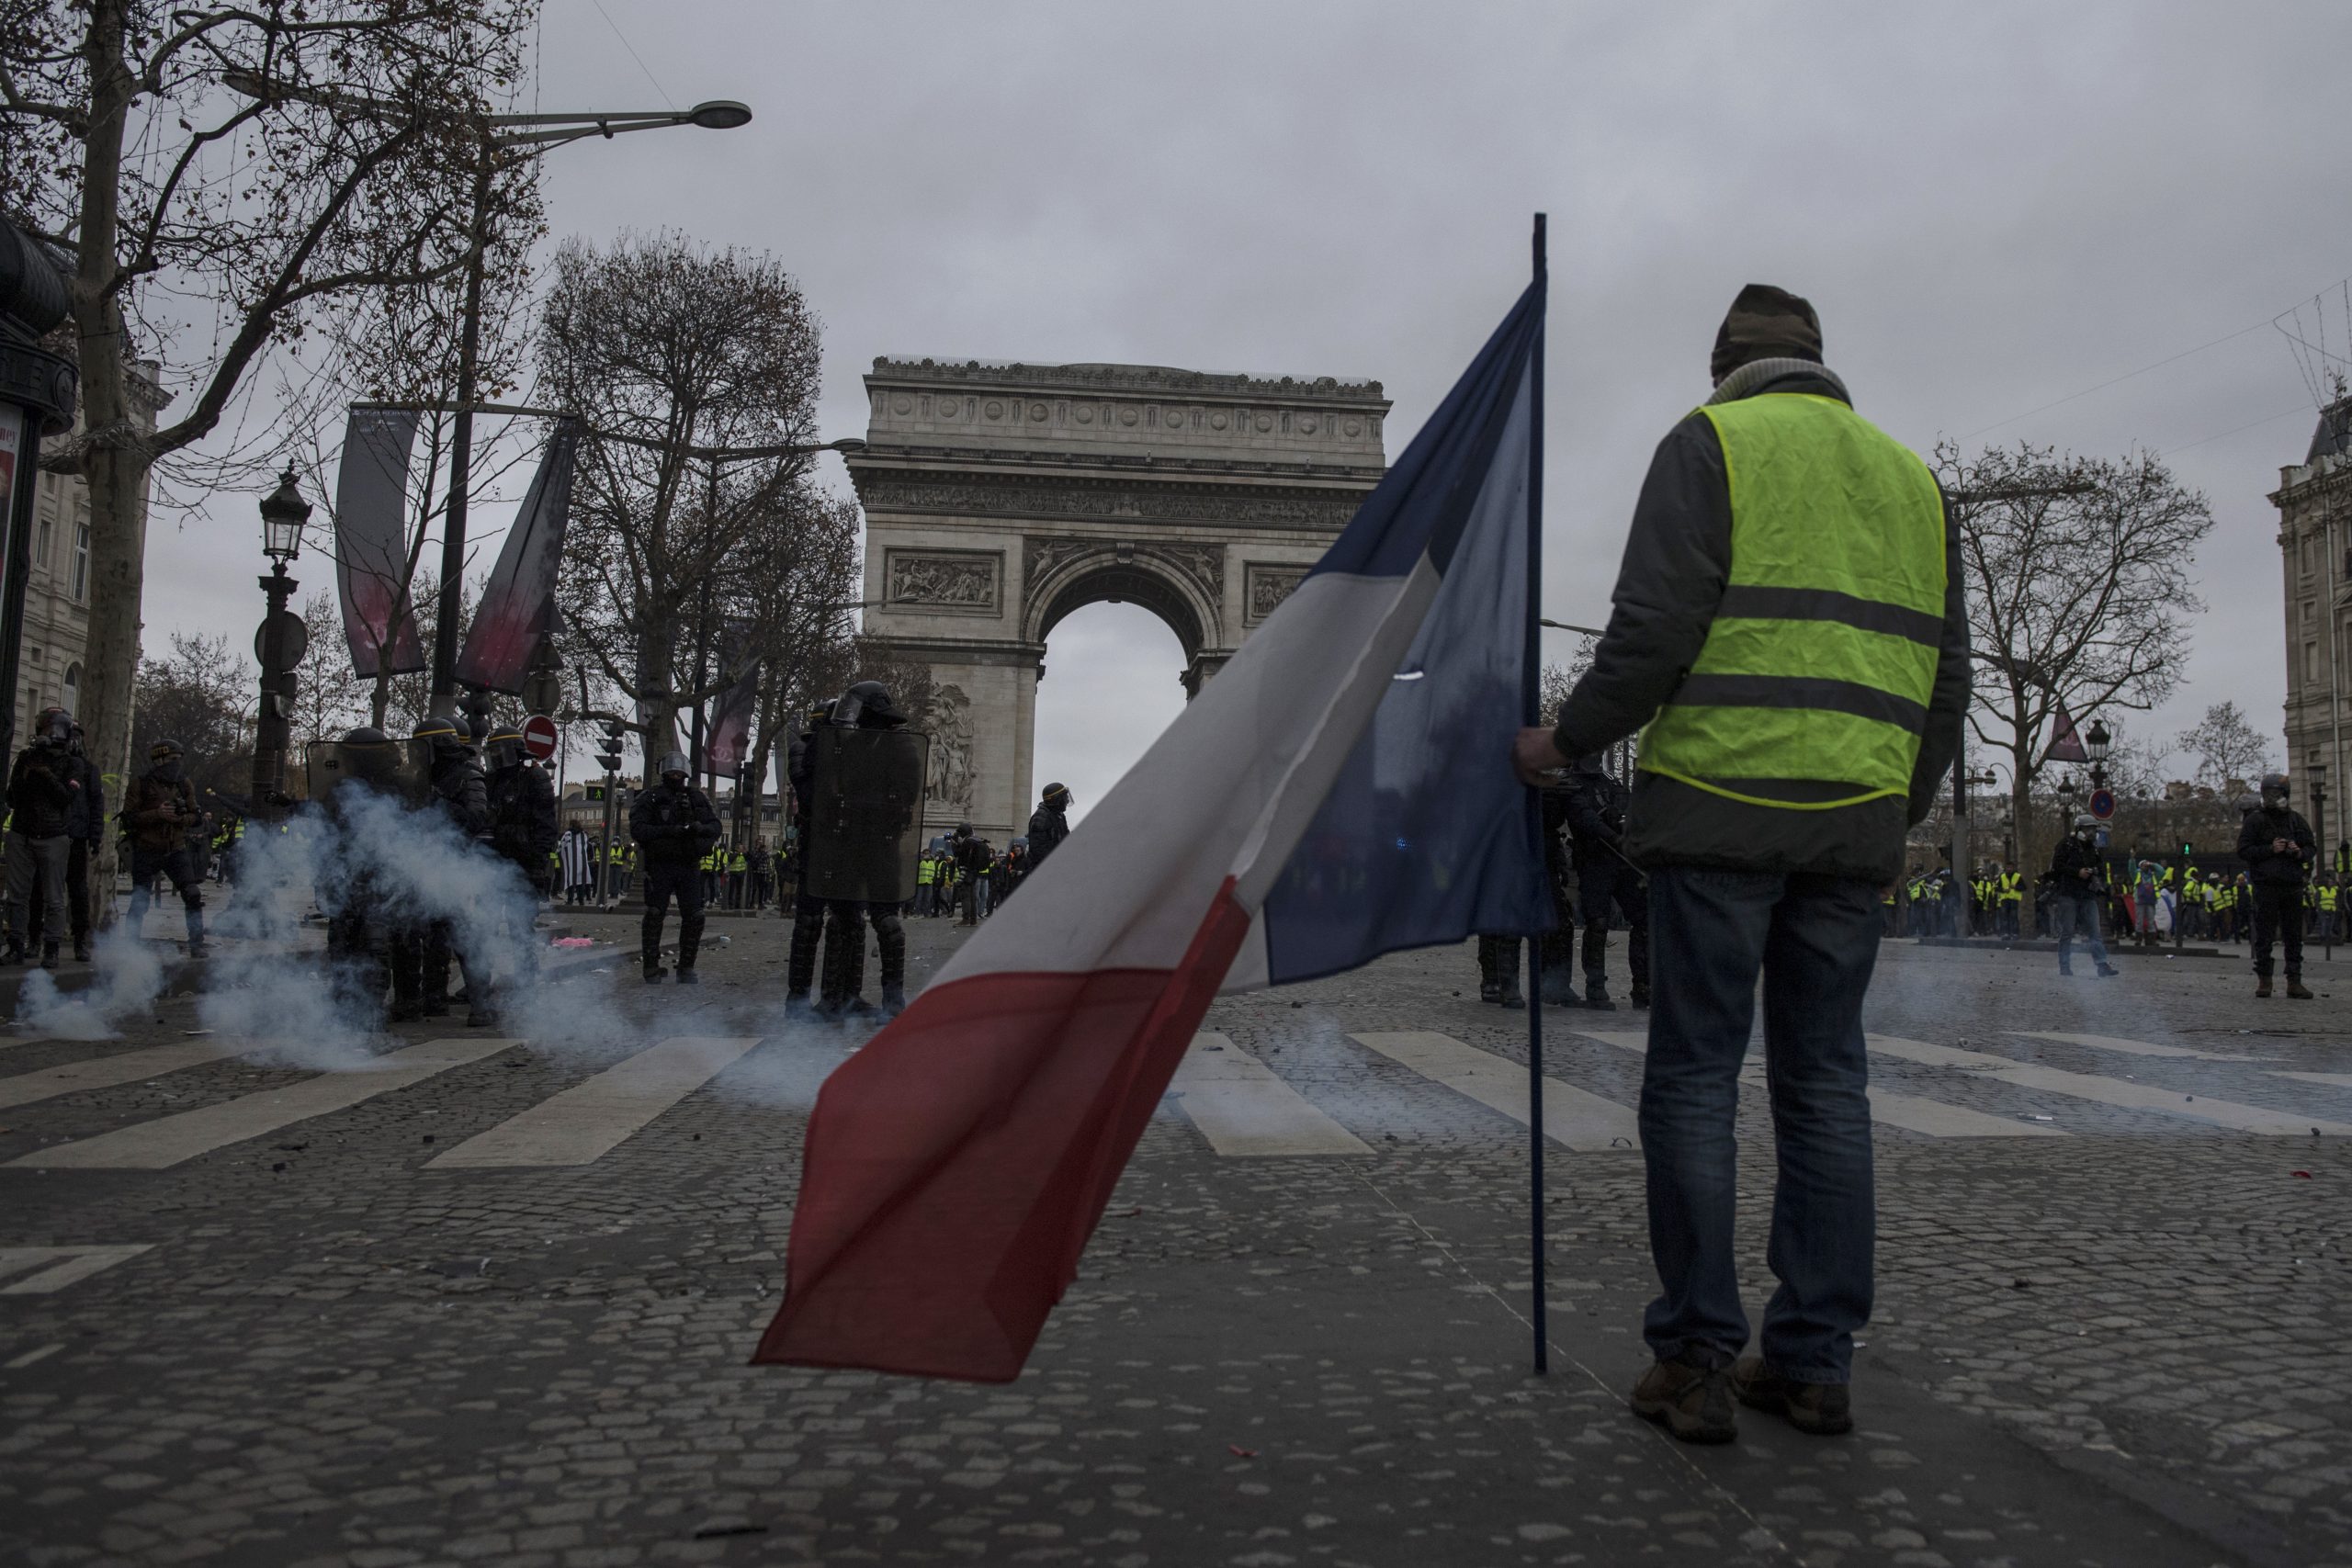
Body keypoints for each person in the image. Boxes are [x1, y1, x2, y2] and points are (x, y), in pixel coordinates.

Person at [1510, 284, 1969, 1443]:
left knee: (1697, 1081)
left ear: (1725, 367)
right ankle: (1813, 1363)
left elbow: (1654, 629)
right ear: (1823, 365)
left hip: (1718, 809)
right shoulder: (1914, 479)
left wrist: (1564, 744)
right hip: (1853, 825)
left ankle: (1699, 1356)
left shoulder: (1707, 442)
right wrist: (1888, 811)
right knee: (1827, 1089)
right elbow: (1946, 683)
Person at [413, 716, 491, 1021]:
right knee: (432, 936)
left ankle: (482, 1004)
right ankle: (433, 1000)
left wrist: (437, 801)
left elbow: (475, 820)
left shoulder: (468, 776)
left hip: (459, 864)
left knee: (464, 936)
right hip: (427, 864)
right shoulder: (421, 777)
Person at [1563, 752, 1649, 1010]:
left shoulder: (1609, 781)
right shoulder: (1569, 783)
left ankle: (1643, 985)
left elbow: (1628, 805)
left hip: (1622, 860)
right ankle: (1596, 986)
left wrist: (1623, 823)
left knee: (1645, 919)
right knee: (1598, 923)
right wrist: (1613, 835)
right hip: (1594, 860)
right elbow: (1583, 818)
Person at [631, 751, 720, 984]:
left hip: (688, 864)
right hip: (660, 864)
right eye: (671, 771)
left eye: (679, 772)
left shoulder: (696, 798)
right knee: (654, 914)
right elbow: (638, 829)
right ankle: (651, 967)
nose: (675, 775)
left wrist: (698, 830)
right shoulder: (650, 797)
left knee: (695, 916)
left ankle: (686, 967)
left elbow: (715, 826)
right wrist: (669, 832)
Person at [4, 706, 83, 967]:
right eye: (44, 729)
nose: (47, 734)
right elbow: (12, 798)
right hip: (22, 832)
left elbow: (66, 798)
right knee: (17, 895)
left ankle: (51, 948)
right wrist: (26, 773)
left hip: (53, 835)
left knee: (54, 897)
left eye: (52, 729)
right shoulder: (27, 758)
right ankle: (16, 945)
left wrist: (46, 775)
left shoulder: (72, 762)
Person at [124, 736, 210, 962]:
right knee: (140, 899)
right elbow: (129, 819)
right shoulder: (141, 784)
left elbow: (196, 818)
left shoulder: (184, 784)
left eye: (179, 759)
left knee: (192, 894)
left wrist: (180, 818)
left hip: (176, 849)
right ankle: (129, 945)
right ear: (160, 759)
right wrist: (157, 814)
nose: (177, 764)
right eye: (172, 759)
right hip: (147, 849)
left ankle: (197, 944)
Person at [2238, 772, 2315, 998]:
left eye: (2277, 794)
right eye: (2269, 794)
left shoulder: (2296, 820)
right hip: (2266, 885)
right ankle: (2265, 979)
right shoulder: (2256, 820)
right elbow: (2243, 850)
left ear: (2286, 795)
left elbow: (2311, 847)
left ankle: (2294, 980)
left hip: (2292, 884)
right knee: (2265, 934)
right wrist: (2270, 849)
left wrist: (2298, 852)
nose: (2273, 798)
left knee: (2293, 936)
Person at [2048, 815, 2121, 978]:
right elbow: (2057, 867)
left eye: (2093, 829)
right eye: (2088, 829)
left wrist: (2094, 873)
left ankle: (2102, 965)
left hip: (2087, 894)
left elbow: (2101, 869)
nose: (2091, 832)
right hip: (2068, 893)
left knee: (2095, 932)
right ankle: (2064, 966)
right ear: (2079, 829)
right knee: (2067, 931)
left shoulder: (2093, 849)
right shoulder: (2065, 844)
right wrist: (2077, 872)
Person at [951, 822, 991, 927]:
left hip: (966, 871)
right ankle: (973, 919)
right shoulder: (976, 840)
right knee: (973, 896)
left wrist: (954, 844)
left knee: (965, 895)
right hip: (975, 871)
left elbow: (958, 855)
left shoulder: (967, 842)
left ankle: (966, 918)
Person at [1027, 783, 1073, 872]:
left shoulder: (1059, 815)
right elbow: (1038, 849)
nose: (1067, 800)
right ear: (1057, 800)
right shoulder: (1041, 816)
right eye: (1065, 797)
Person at [558, 824, 595, 907]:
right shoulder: (583, 835)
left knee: (571, 881)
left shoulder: (568, 834)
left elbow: (562, 845)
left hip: (571, 861)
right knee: (580, 882)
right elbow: (586, 845)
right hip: (582, 861)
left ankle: (570, 900)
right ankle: (581, 901)